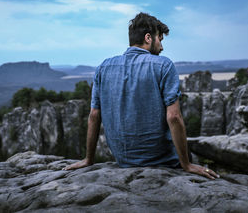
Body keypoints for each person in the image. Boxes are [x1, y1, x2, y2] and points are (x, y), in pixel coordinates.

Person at [63, 12, 219, 180]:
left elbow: (94, 115)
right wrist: (186, 165)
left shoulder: (103, 67)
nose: (162, 47)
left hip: (123, 161)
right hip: (162, 161)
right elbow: (174, 117)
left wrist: (88, 159)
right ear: (148, 38)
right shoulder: (163, 65)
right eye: (160, 39)